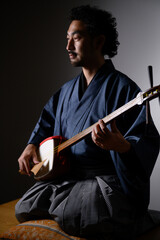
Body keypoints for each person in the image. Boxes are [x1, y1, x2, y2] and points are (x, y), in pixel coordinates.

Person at [15, 5, 160, 240]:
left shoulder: (124, 89)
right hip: (67, 178)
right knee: (24, 206)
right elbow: (47, 122)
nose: (68, 47)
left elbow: (146, 140)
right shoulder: (66, 91)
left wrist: (120, 145)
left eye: (76, 38)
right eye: (67, 39)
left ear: (99, 41)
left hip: (104, 182)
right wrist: (32, 144)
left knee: (80, 212)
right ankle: (67, 204)